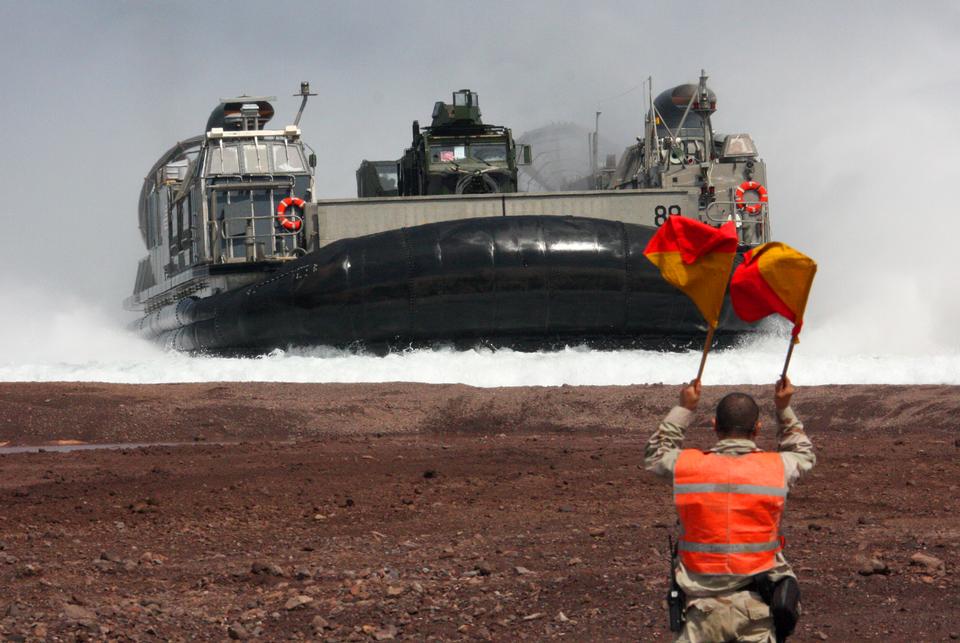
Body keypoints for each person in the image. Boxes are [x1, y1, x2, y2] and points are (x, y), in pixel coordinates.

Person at [645, 377, 815, 642]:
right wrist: (784, 409)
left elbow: (656, 453)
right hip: (756, 608)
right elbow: (803, 452)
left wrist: (685, 408)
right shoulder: (777, 468)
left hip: (700, 612)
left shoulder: (687, 466)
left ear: (715, 426)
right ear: (757, 428)